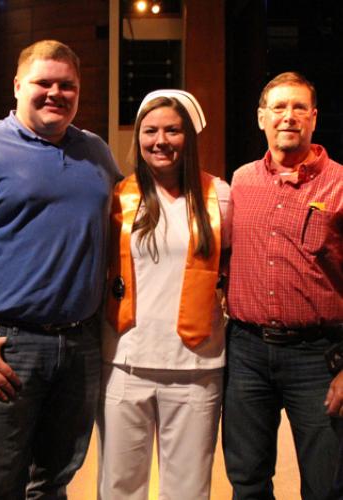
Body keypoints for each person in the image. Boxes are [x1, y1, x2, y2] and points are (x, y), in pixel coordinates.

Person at [0, 39, 120, 499]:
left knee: (54, 481)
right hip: (7, 344)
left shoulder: (97, 154)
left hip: (80, 345)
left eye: (67, 85)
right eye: (43, 83)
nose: (55, 93)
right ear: (18, 85)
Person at [97, 89, 231, 500]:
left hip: (197, 368)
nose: (160, 140)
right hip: (124, 362)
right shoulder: (117, 196)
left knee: (189, 490)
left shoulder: (221, 196)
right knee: (120, 486)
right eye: (150, 131)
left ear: (189, 137)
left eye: (173, 130)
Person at [223, 71, 343, 499]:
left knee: (326, 484)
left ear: (313, 117)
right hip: (247, 352)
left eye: (297, 108)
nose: (287, 116)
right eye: (278, 107)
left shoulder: (341, 184)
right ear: (261, 118)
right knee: (247, 479)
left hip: (319, 356)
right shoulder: (240, 182)